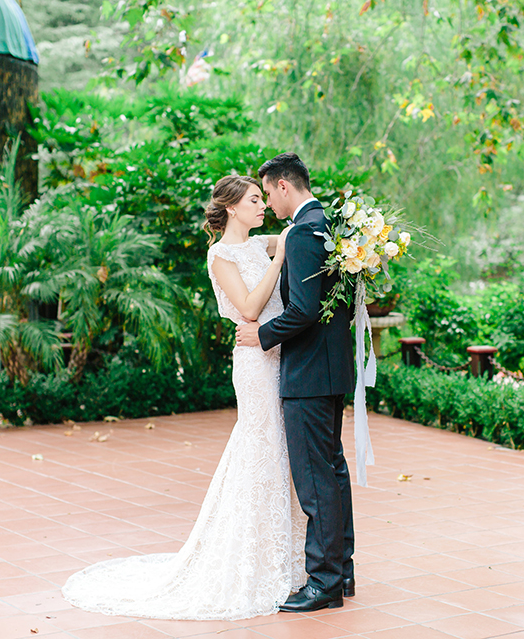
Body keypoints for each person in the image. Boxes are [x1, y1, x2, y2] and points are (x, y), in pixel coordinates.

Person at [61, 174, 307, 620]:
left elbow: (298, 229)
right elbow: (249, 309)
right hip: (254, 363)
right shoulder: (221, 255)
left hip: (279, 358)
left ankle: (288, 560)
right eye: (255, 200)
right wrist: (279, 259)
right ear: (232, 207)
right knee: (262, 448)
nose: (263, 206)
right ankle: (251, 561)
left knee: (283, 453)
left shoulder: (259, 242)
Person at [236, 152, 356, 613]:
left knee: (313, 480)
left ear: (284, 186)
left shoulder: (305, 233)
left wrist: (261, 335)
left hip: (307, 373)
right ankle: (341, 570)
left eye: (268, 191)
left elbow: (304, 309)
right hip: (332, 368)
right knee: (333, 471)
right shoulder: (331, 225)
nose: (268, 198)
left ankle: (322, 583)